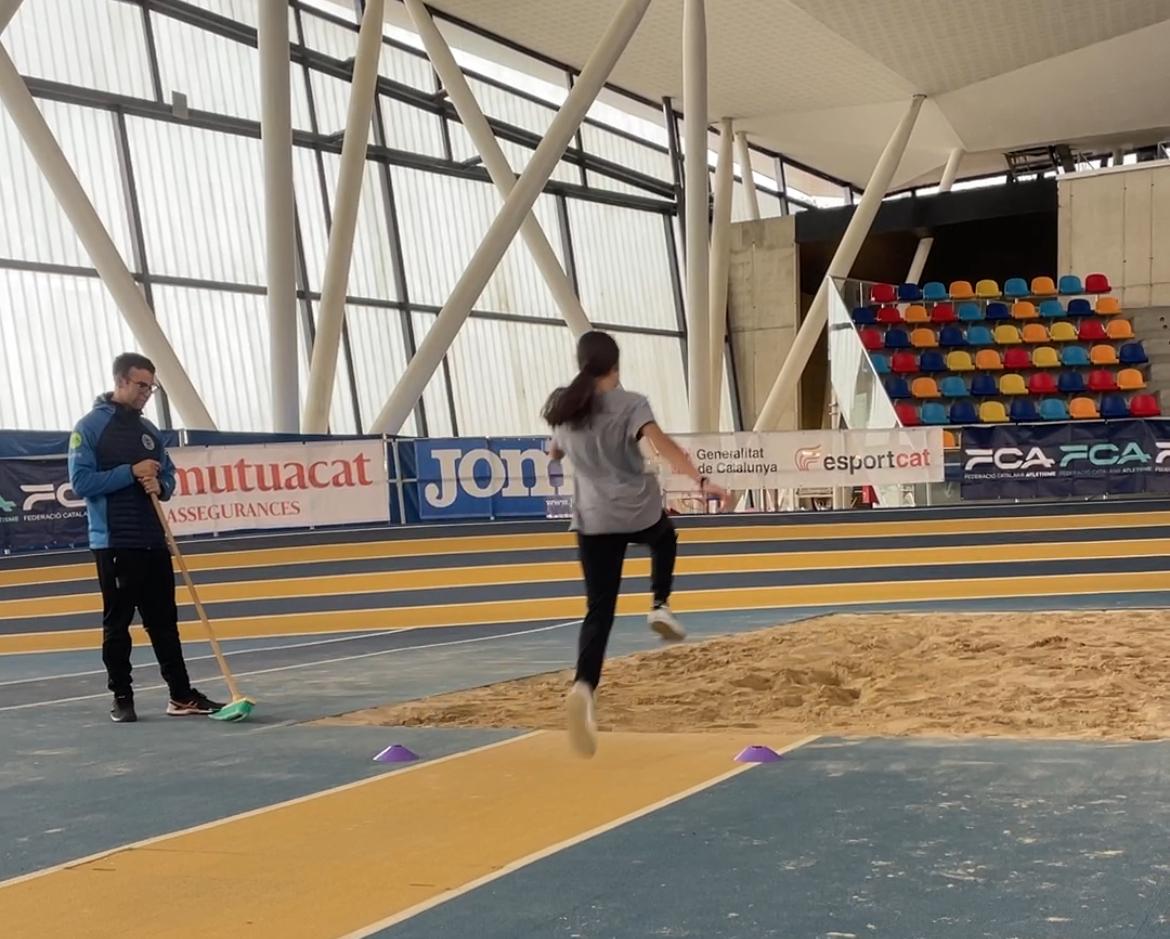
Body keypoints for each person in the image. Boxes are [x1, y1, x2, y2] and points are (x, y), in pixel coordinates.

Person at [543, 330, 729, 757]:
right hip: (635, 510)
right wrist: (702, 482)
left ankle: (584, 687)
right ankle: (659, 603)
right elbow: (665, 448)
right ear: (615, 364)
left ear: (581, 363)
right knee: (665, 537)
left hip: (592, 520)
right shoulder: (631, 404)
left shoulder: (564, 407)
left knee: (599, 611)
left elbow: (554, 453)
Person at [68, 353, 223, 722]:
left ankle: (181, 695)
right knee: (118, 625)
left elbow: (169, 475)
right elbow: (81, 483)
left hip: (154, 539)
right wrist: (130, 472)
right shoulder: (89, 428)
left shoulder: (150, 431)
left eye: (151, 388)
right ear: (120, 381)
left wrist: (161, 485)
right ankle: (122, 696)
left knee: (165, 623)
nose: (146, 394)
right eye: (141, 386)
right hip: (115, 542)